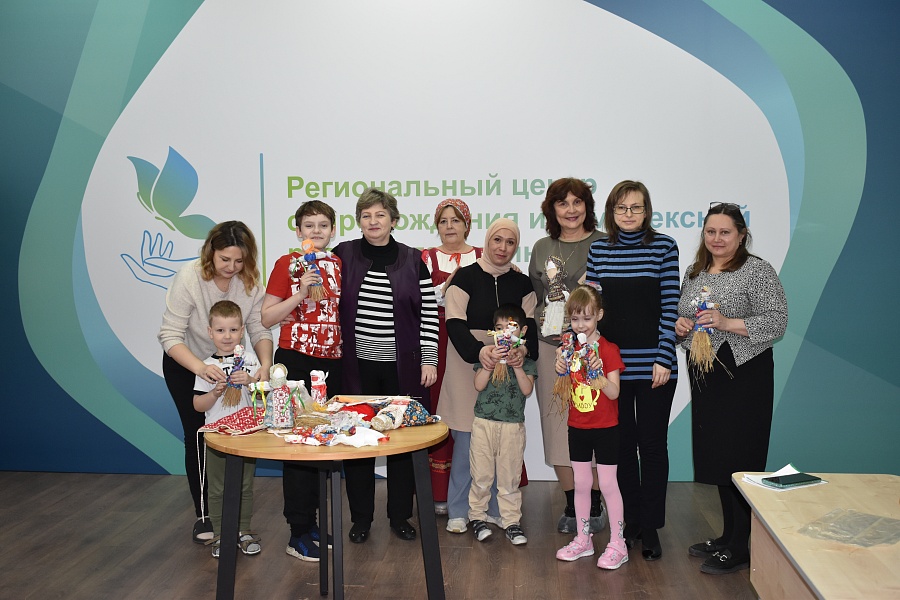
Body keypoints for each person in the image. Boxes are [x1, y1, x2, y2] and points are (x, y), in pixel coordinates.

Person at [674, 202, 787, 575]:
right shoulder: (695, 272)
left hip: (745, 375)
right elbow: (685, 316)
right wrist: (681, 327)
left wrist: (726, 322)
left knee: (741, 456)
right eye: (711, 231)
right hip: (707, 374)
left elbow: (777, 321)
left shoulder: (757, 270)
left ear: (741, 235)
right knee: (720, 456)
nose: (717, 238)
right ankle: (727, 537)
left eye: (725, 232)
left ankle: (741, 547)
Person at [332, 187, 439, 544]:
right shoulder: (343, 254)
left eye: (380, 215)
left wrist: (429, 359)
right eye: (366, 215)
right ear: (359, 221)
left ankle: (400, 516)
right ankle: (361, 519)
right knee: (358, 444)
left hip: (402, 369)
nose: (373, 221)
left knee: (402, 444)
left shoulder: (413, 259)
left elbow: (428, 315)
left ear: (394, 220)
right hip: (355, 369)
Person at [158, 221, 272, 544]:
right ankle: (205, 515)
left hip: (233, 366)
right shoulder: (190, 277)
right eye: (224, 259)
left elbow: (259, 329)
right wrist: (201, 368)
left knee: (239, 431)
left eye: (239, 261)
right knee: (198, 435)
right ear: (211, 253)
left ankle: (237, 515)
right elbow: (170, 335)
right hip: (187, 362)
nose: (232, 267)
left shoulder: (250, 281)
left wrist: (264, 365)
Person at [584, 180, 679, 561]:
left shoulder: (664, 247)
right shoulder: (598, 250)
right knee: (621, 446)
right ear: (611, 212)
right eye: (621, 208)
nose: (628, 214)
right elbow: (591, 310)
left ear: (646, 211)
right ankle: (629, 522)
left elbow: (670, 306)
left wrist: (664, 358)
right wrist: (589, 356)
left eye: (636, 207)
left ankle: (651, 526)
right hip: (612, 371)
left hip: (655, 367)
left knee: (652, 446)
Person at [442, 218, 538, 536]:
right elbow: (454, 322)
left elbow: (531, 329)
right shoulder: (465, 276)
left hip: (507, 369)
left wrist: (521, 352)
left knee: (500, 444)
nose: (502, 247)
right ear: (486, 241)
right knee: (467, 441)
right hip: (467, 363)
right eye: (497, 240)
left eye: (510, 242)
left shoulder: (522, 284)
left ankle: (496, 511)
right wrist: (478, 352)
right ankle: (459, 510)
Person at [262, 200, 342, 562]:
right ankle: (297, 532)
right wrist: (299, 292)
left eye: (323, 225)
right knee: (296, 447)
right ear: (298, 231)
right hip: (295, 360)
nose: (316, 231)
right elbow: (266, 317)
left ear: (332, 230)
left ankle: (312, 525)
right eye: (309, 225)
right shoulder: (287, 263)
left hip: (330, 364)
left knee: (320, 445)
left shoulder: (337, 264)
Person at [528, 178, 605, 535]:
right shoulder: (542, 247)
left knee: (595, 419)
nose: (571, 210)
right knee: (557, 423)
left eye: (577, 202)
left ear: (588, 206)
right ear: (552, 209)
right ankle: (573, 502)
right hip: (551, 348)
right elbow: (536, 296)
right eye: (563, 203)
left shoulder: (604, 243)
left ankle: (596, 501)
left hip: (592, 348)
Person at [553, 286, 628, 569]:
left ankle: (618, 543)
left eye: (586, 318)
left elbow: (614, 392)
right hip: (578, 426)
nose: (580, 325)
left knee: (607, 484)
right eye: (575, 319)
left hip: (606, 427)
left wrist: (597, 373)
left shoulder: (608, 349)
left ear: (599, 315)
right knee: (581, 483)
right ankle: (583, 539)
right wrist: (561, 367)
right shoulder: (570, 349)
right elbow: (565, 384)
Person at [421, 198, 482, 516]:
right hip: (439, 339)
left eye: (455, 220)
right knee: (442, 408)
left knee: (477, 409)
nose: (449, 226)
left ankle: (480, 488)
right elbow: (418, 301)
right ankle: (441, 490)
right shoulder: (426, 257)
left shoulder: (483, 255)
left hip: (473, 340)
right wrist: (445, 288)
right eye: (443, 221)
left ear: (466, 225)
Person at [192, 300, 261, 558]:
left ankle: (243, 530)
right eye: (220, 330)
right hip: (217, 435)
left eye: (233, 330)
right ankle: (221, 534)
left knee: (245, 485)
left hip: (246, 434)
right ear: (210, 332)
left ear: (242, 331)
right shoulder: (206, 367)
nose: (227, 336)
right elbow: (198, 405)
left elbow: (263, 397)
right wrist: (214, 393)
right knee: (217, 487)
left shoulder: (250, 361)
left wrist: (251, 382)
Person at [468, 304, 537, 545]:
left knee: (509, 478)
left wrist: (517, 366)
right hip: (483, 424)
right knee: (481, 475)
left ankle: (511, 522)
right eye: (499, 328)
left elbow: (527, 390)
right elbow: (478, 385)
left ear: (522, 331)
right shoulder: (488, 356)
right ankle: (477, 517)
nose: (505, 332)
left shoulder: (526, 362)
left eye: (511, 327)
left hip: (512, 427)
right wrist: (489, 364)